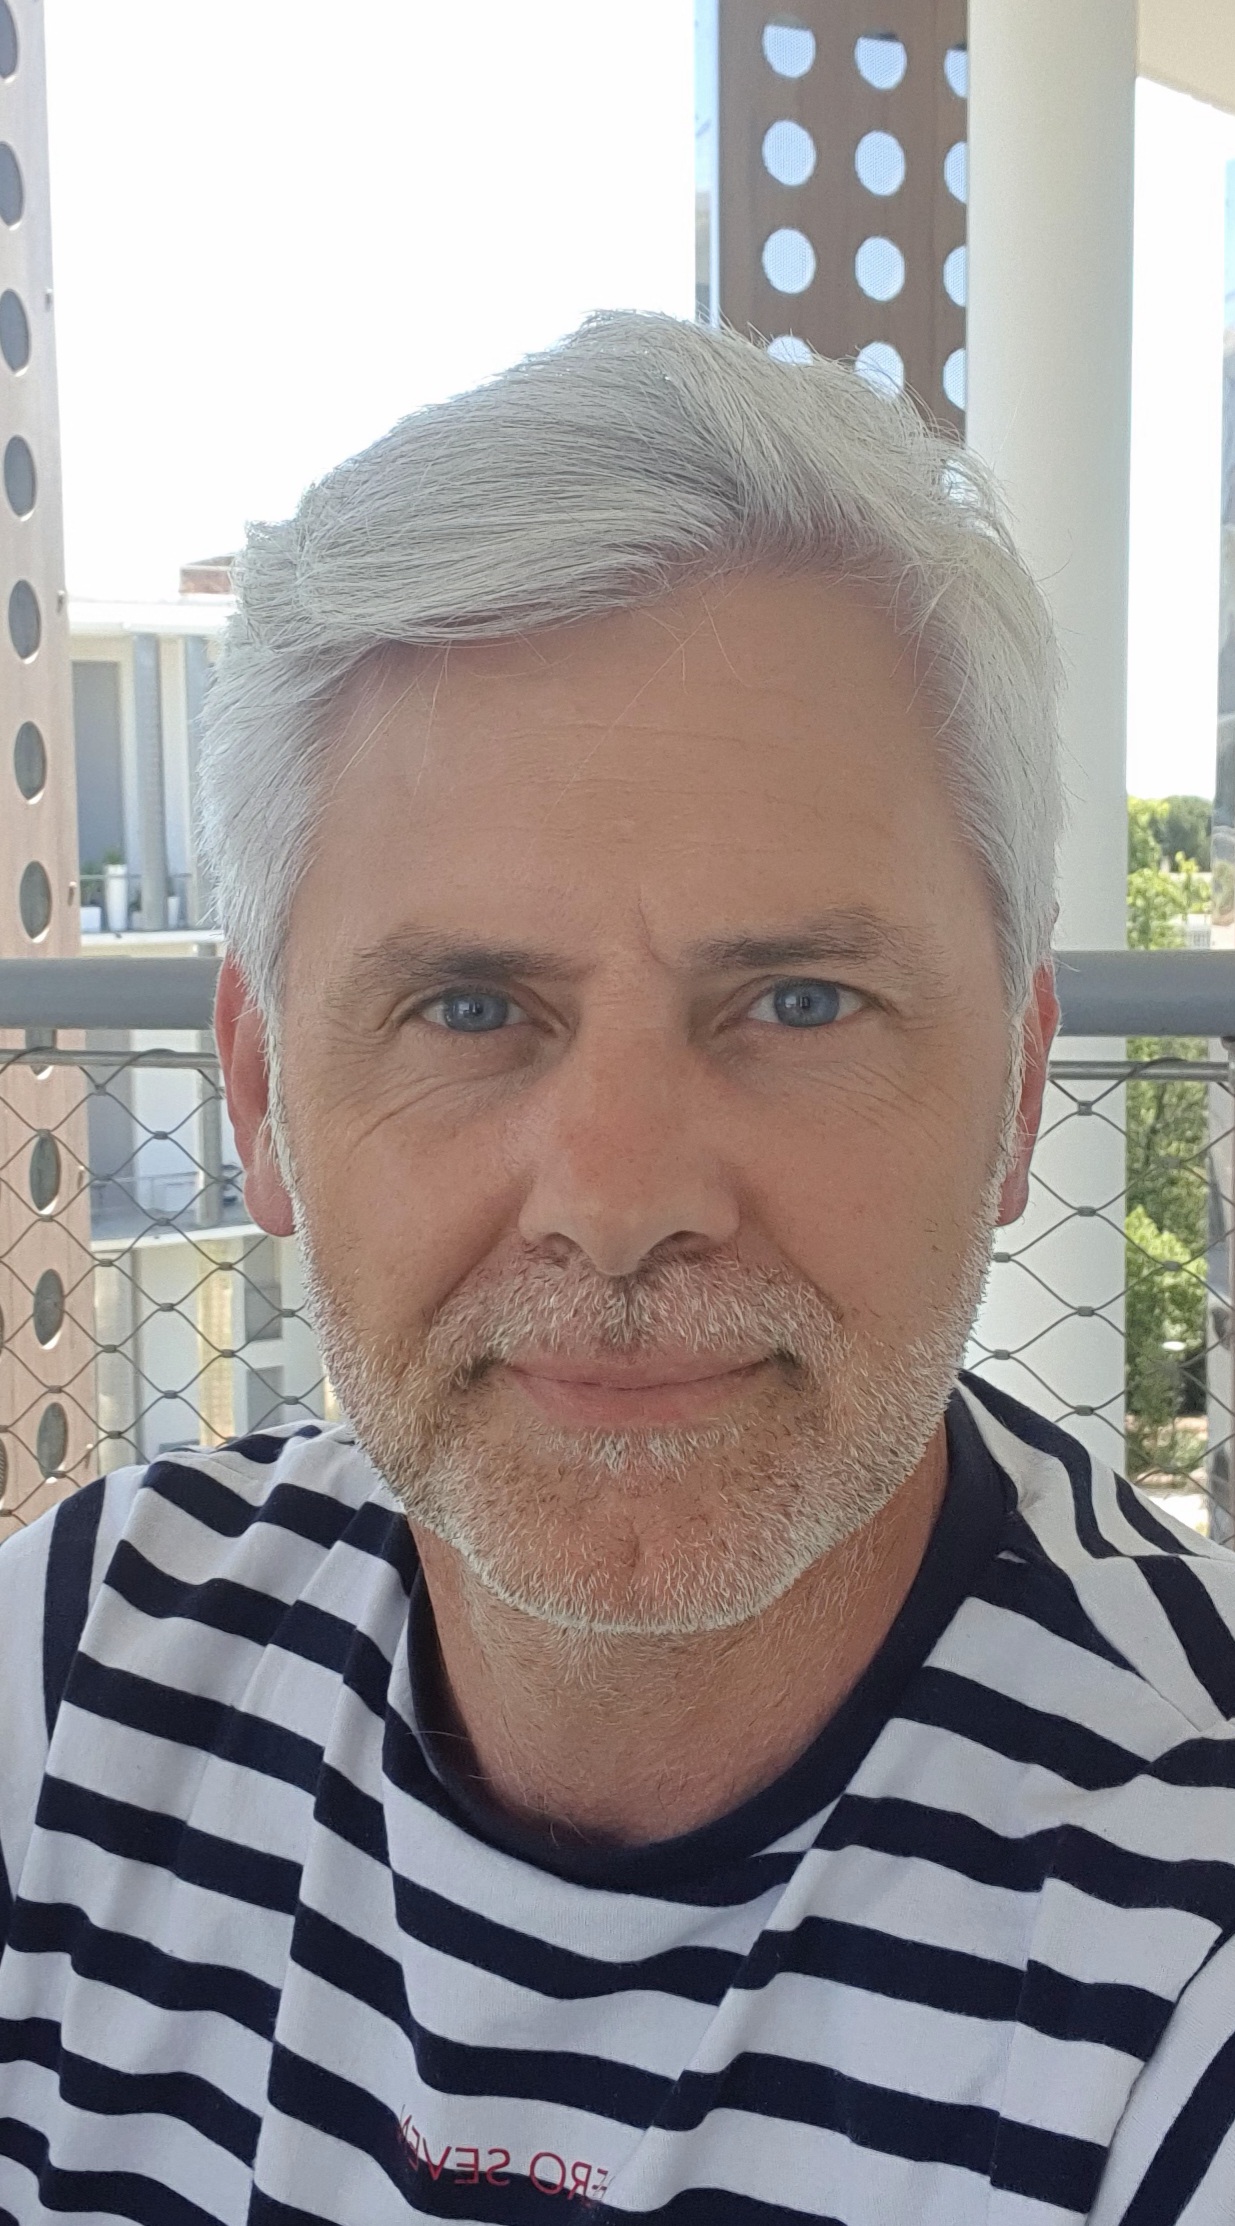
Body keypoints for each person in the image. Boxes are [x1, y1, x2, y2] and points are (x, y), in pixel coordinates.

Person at [2, 314, 1233, 2226]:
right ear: (262, 1095)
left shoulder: (1187, 1924)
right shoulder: (77, 1675)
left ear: (1011, 1089)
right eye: (468, 1004)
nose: (621, 1195)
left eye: (799, 999)